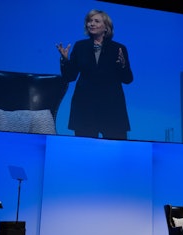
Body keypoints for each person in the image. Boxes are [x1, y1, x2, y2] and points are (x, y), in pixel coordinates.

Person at [56, 9, 133, 140]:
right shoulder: (80, 46)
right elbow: (70, 77)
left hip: (111, 109)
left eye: (96, 21)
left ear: (106, 27)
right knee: (85, 151)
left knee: (115, 151)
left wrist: (123, 65)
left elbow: (128, 79)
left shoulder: (118, 49)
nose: (91, 24)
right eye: (89, 21)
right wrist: (65, 60)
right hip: (85, 108)